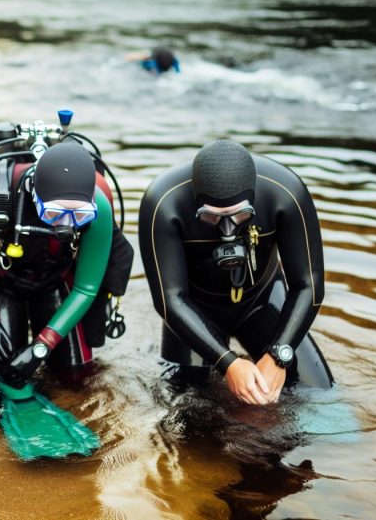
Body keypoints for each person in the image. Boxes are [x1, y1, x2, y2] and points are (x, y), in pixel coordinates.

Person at [138, 139, 333, 406]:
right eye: (212, 217)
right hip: (193, 311)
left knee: (319, 399)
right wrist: (228, 363)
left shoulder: (285, 192)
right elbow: (170, 299)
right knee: (186, 410)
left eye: (240, 216)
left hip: (261, 301)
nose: (227, 229)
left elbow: (308, 284)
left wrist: (279, 355)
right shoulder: (163, 201)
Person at [0, 142, 122, 389]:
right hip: (3, 282)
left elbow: (87, 288)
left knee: (76, 377)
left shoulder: (99, 207)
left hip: (56, 280)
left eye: (79, 215)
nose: (66, 225)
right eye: (54, 213)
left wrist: (40, 347)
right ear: (35, 193)